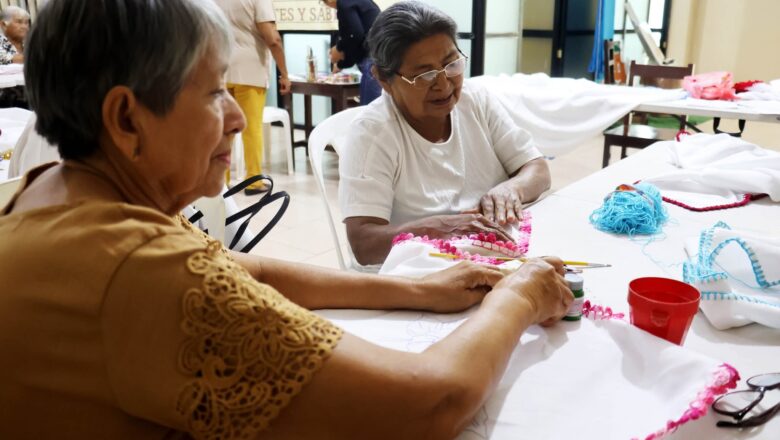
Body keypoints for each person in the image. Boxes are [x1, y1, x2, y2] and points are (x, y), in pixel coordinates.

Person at [0, 0, 572, 438]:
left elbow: (242, 268)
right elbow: (431, 402)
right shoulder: (144, 271)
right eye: (215, 92)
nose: (237, 119)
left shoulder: (56, 192)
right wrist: (519, 296)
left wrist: (419, 289)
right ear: (127, 118)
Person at [339, 1, 552, 266]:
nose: (443, 85)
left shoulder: (476, 100)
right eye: (424, 75)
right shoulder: (373, 133)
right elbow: (364, 243)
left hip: (492, 258)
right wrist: (438, 228)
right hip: (421, 273)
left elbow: (537, 169)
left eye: (451, 65)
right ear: (384, 79)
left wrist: (511, 189)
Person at [214, 0, 292, 195]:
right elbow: (272, 39)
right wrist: (284, 73)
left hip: (222, 69)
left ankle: (222, 181)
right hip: (251, 70)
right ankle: (253, 181)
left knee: (224, 129)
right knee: (252, 129)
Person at [321, 0, 382, 104]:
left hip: (372, 62)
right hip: (379, 58)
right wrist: (341, 64)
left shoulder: (344, 4)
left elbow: (354, 35)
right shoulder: (353, 3)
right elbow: (355, 42)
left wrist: (338, 49)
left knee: (369, 108)